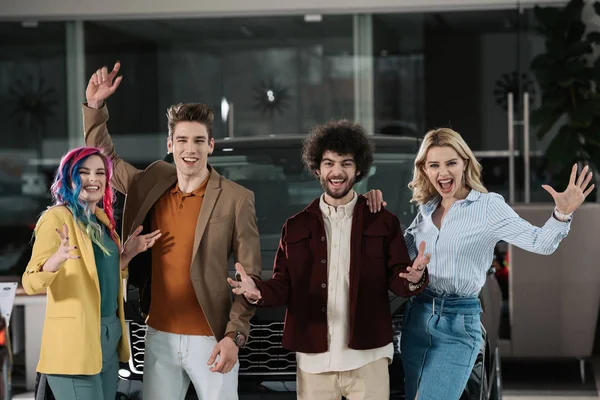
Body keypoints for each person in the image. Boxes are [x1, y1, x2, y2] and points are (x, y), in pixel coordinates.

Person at [83, 62, 261, 400]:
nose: (189, 149)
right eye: (181, 140)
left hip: (211, 339)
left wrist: (234, 337)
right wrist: (94, 108)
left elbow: (248, 276)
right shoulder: (149, 183)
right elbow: (105, 159)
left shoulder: (237, 199)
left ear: (211, 144)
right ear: (170, 143)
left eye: (197, 141)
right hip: (158, 335)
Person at [229, 120, 430, 400]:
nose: (337, 172)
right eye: (329, 163)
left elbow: (398, 280)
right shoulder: (295, 227)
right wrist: (256, 291)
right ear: (317, 169)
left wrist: (415, 277)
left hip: (368, 358)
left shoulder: (383, 222)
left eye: (346, 163)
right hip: (314, 362)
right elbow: (283, 284)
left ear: (359, 169)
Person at [392, 127, 593, 400]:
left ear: (465, 162)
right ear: (424, 169)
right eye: (434, 165)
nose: (443, 173)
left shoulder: (488, 207)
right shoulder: (426, 209)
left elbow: (541, 243)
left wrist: (562, 213)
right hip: (417, 318)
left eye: (451, 162)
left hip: (458, 323)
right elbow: (396, 258)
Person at [22, 147, 161, 400]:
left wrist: (127, 255)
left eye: (100, 173)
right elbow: (30, 282)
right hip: (74, 343)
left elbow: (101, 278)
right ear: (69, 178)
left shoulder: (102, 222)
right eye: (84, 172)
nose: (93, 179)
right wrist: (56, 259)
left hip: (108, 334)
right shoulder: (56, 219)